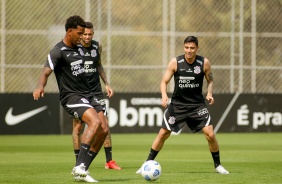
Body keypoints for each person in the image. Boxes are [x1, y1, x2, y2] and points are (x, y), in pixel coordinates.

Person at [136, 36, 229, 174]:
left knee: (210, 134)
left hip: (197, 105)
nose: (189, 51)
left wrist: (209, 93)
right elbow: (163, 82)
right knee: (163, 133)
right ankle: (146, 164)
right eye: (186, 47)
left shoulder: (204, 63)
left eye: (192, 48)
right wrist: (164, 95)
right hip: (177, 105)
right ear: (184, 47)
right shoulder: (175, 62)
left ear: (197, 48)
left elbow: (210, 81)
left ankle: (218, 165)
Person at [33, 15, 108, 182]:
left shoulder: (81, 48)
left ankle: (83, 169)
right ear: (69, 32)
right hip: (72, 96)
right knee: (94, 123)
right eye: (79, 33)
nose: (82, 36)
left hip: (90, 94)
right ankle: (79, 166)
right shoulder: (58, 51)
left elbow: (96, 64)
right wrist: (40, 86)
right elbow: (45, 71)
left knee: (103, 130)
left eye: (84, 34)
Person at [72, 21, 121, 170]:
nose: (87, 37)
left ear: (93, 34)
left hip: (95, 91)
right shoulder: (74, 48)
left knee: (104, 124)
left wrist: (106, 83)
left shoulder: (97, 46)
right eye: (84, 34)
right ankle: (78, 162)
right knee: (78, 125)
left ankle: (109, 161)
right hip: (79, 92)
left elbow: (98, 65)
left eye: (90, 34)